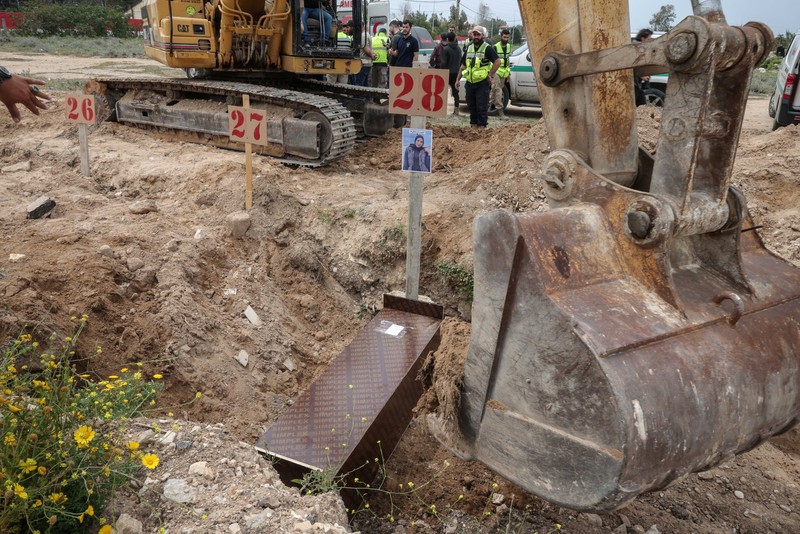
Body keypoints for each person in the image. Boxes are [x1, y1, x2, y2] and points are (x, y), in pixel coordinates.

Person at [456, 26, 500, 128]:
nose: (476, 37)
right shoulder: (469, 48)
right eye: (474, 34)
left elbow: (498, 62)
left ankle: (481, 131)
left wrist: (490, 75)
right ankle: (473, 130)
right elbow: (463, 65)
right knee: (472, 108)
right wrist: (457, 79)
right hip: (470, 83)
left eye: (478, 35)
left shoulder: (487, 48)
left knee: (481, 108)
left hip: (482, 83)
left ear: (482, 36)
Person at [490, 28, 512, 120]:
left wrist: (508, 73)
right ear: (501, 37)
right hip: (496, 72)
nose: (506, 39)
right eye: (504, 37)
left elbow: (507, 60)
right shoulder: (495, 47)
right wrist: (491, 74)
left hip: (504, 72)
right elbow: (492, 61)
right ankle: (501, 112)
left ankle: (485, 107)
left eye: (507, 37)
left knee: (494, 91)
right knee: (498, 91)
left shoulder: (508, 46)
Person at [440, 31, 462, 115]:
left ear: (448, 39)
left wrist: (441, 72)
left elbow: (443, 63)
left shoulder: (446, 49)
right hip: (456, 73)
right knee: (456, 92)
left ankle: (441, 109)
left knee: (443, 91)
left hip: (447, 73)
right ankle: (456, 109)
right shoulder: (459, 49)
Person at [633, 28, 654, 106]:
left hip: (637, 85)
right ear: (643, 39)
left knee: (642, 104)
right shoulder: (634, 49)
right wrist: (640, 74)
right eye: (648, 39)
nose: (650, 41)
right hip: (631, 85)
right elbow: (629, 65)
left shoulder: (642, 49)